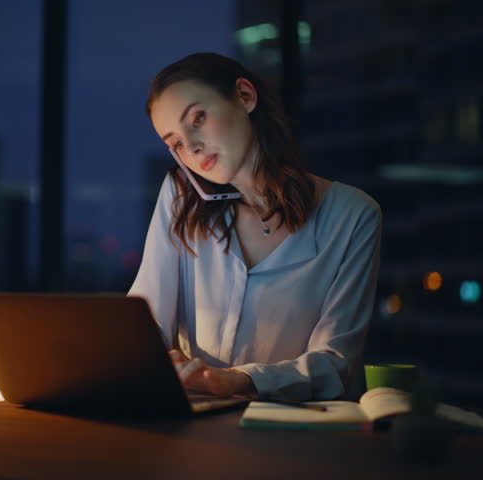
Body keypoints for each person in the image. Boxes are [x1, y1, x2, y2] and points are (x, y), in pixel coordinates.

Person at [129, 53, 382, 402]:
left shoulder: (353, 214)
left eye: (197, 119)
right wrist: (158, 358)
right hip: (198, 428)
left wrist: (237, 381)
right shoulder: (179, 197)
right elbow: (145, 324)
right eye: (175, 142)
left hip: (299, 437)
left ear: (245, 96)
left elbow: (337, 363)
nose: (192, 146)